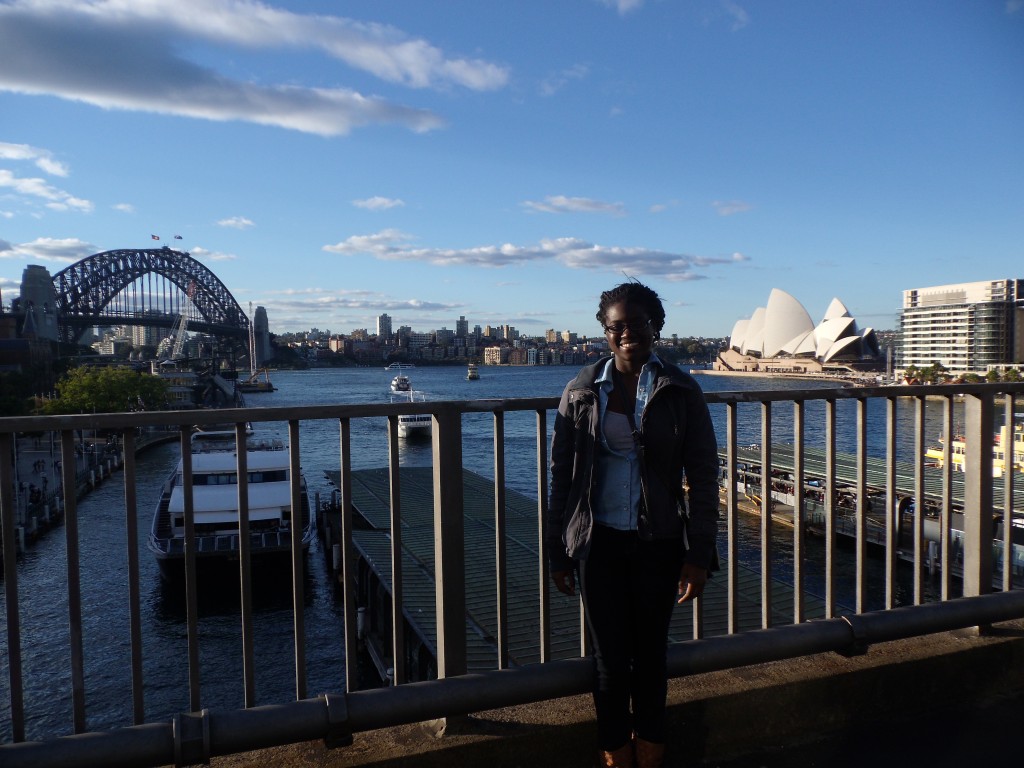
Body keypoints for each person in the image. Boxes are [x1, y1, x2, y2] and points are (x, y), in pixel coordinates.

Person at [547, 281, 720, 768]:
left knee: (650, 657)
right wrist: (556, 549)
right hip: (597, 542)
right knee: (608, 662)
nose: (627, 335)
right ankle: (617, 758)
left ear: (656, 327)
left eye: (637, 325)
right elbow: (562, 477)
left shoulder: (681, 389)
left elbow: (704, 476)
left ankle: (651, 755)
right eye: (616, 327)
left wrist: (698, 554)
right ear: (604, 333)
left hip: (658, 541)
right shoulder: (581, 391)